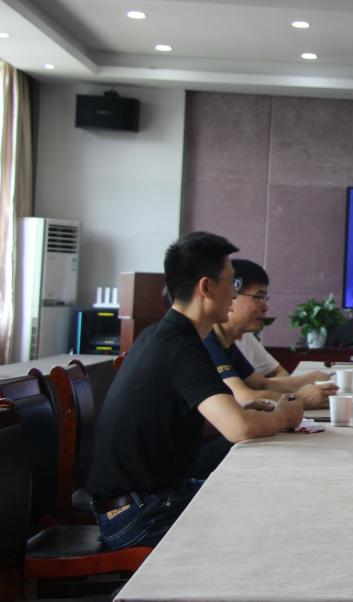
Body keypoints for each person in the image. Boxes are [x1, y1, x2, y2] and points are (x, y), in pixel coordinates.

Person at [86, 232, 303, 549]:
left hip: (141, 502)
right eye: (232, 282)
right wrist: (284, 416)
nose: (235, 292)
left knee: (261, 494)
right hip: (138, 514)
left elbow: (178, 421)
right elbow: (239, 429)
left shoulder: (164, 335)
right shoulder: (181, 347)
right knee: (268, 513)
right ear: (206, 287)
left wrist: (244, 413)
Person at [204, 259, 336, 409]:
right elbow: (244, 398)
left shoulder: (227, 343)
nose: (265, 307)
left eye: (265, 299)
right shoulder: (207, 339)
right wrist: (300, 398)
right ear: (232, 296)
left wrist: (313, 391)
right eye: (259, 297)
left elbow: (262, 384)